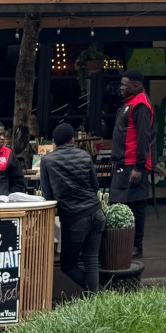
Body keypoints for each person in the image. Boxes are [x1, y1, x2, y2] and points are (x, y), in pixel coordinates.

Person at [40, 123, 105, 294]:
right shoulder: (85, 155)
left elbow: (47, 194)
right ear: (72, 140)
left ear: (54, 142)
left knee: (68, 264)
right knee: (91, 259)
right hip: (96, 212)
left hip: (74, 218)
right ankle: (96, 295)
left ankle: (96, 293)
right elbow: (95, 186)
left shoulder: (47, 160)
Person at [109, 70, 156, 258]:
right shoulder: (130, 103)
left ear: (136, 85)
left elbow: (144, 137)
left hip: (133, 165)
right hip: (124, 163)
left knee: (135, 206)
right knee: (118, 204)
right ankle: (123, 245)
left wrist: (138, 167)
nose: (121, 88)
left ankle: (136, 247)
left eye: (124, 84)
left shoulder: (140, 105)